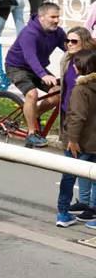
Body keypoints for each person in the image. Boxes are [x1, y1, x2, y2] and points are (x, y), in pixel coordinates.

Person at [4, 2, 67, 147]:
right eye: (53, 17)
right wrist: (43, 75)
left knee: (58, 93)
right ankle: (32, 133)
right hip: (17, 67)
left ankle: (33, 115)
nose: (56, 20)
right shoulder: (29, 33)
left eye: (58, 17)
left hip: (37, 67)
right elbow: (30, 57)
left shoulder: (57, 32)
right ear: (41, 17)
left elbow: (69, 48)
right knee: (32, 94)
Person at [59, 47, 96, 228]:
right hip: (94, 142)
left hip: (80, 143)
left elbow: (77, 117)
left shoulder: (81, 89)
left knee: (68, 177)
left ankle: (63, 213)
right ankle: (93, 210)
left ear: (81, 66)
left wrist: (72, 140)